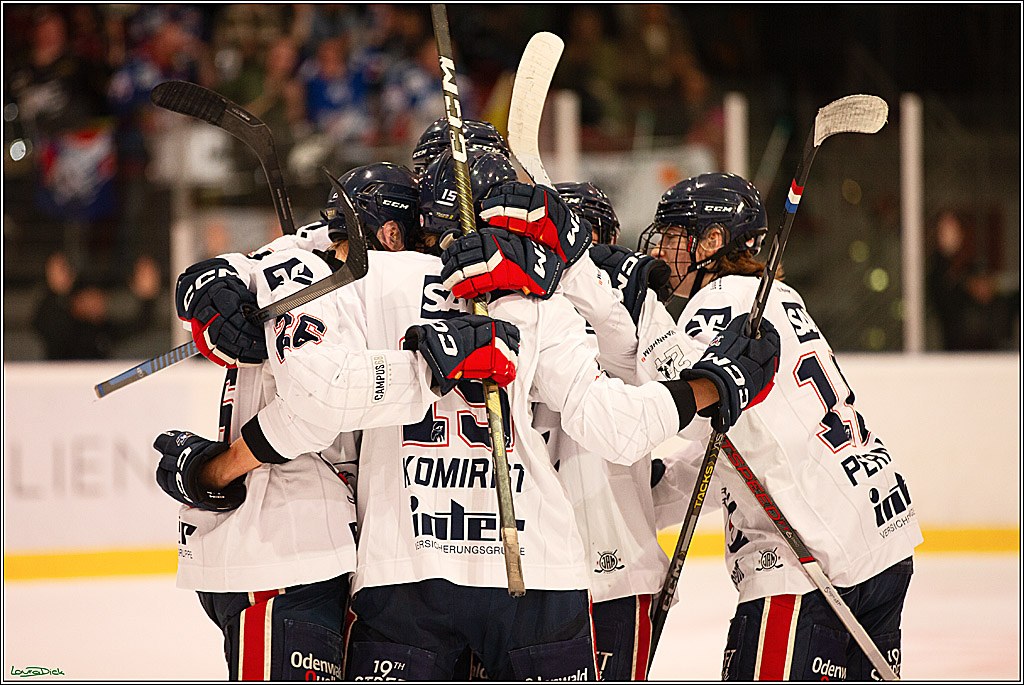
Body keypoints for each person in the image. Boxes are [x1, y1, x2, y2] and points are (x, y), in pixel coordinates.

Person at [163, 150, 781, 681]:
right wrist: (708, 386)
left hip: (404, 579)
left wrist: (226, 279)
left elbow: (318, 392)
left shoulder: (367, 282)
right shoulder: (539, 299)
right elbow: (622, 428)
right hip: (534, 574)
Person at [634, 173, 921, 680]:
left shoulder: (719, 300)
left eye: (676, 236)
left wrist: (636, 316)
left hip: (806, 560)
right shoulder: (778, 297)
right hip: (878, 528)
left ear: (712, 242)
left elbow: (687, 405)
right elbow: (716, 442)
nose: (663, 249)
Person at [152, 162, 419, 681]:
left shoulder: (298, 263)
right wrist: (220, 470)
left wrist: (211, 283)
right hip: (287, 552)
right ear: (390, 232)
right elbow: (317, 409)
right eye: (421, 234)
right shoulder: (320, 279)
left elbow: (235, 272)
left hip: (287, 550)